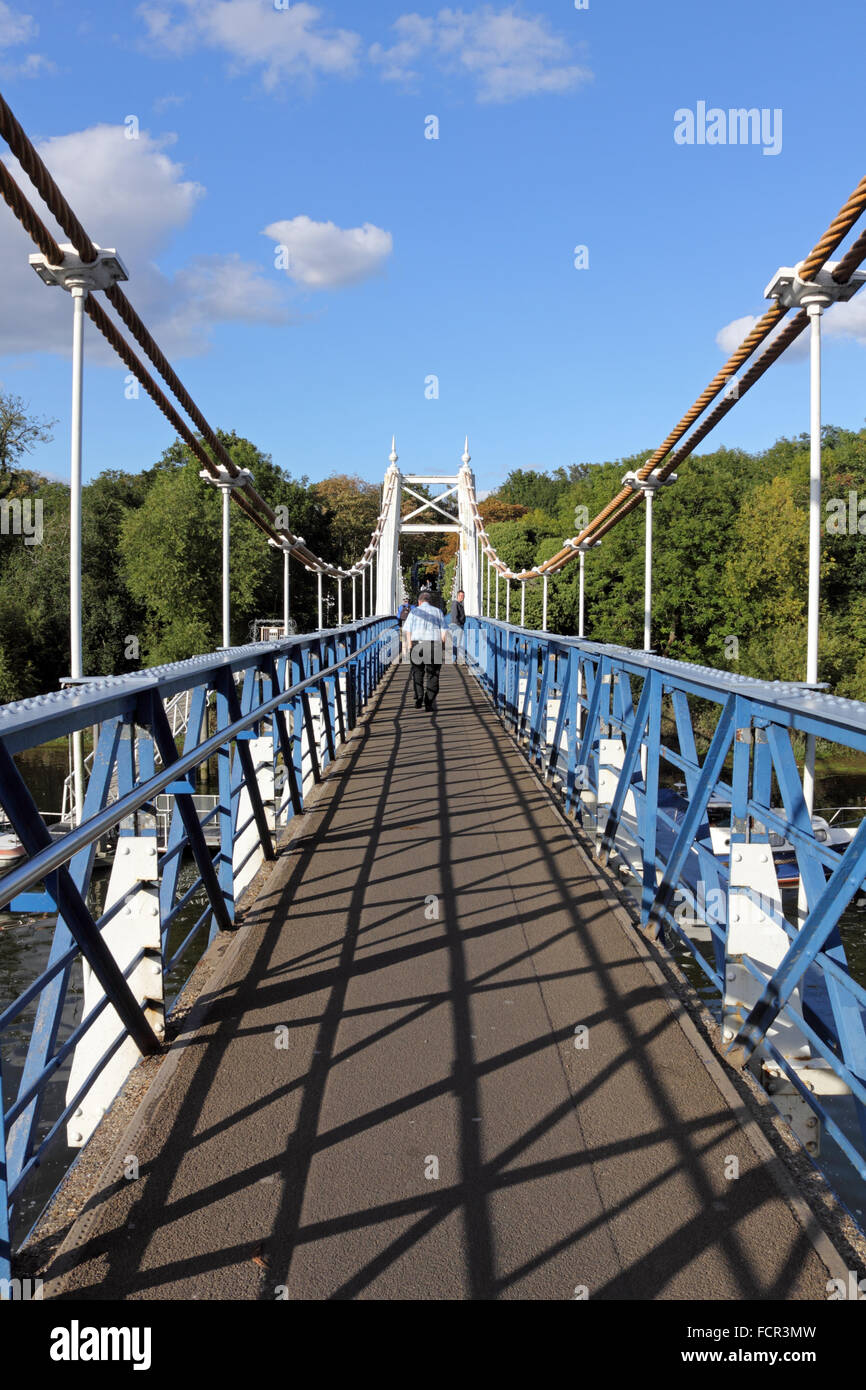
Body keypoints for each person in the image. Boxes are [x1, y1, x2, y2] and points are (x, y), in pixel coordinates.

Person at [403, 587, 449, 710]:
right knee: (433, 674)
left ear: (419, 602)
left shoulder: (413, 612)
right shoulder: (438, 611)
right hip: (434, 645)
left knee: (417, 672)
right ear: (430, 601)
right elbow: (444, 631)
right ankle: (428, 702)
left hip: (417, 644)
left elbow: (407, 630)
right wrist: (443, 645)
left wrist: (409, 645)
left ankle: (418, 697)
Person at [450, 590, 466, 662]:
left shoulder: (459, 604)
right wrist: (459, 625)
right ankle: (455, 659)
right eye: (460, 596)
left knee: (457, 643)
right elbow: (455, 616)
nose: (462, 597)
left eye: (463, 596)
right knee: (457, 643)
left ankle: (455, 659)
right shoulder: (455, 604)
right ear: (457, 596)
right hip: (457, 626)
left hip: (458, 625)